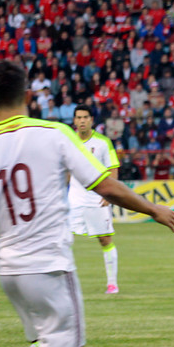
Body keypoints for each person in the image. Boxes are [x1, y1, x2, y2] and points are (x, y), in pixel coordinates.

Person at [0, 60, 174, 347]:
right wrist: (153, 209)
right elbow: (104, 186)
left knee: (45, 345)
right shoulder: (54, 133)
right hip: (49, 267)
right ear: (29, 95)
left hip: (8, 271)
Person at [68, 105, 122, 294]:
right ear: (74, 120)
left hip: (96, 199)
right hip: (73, 199)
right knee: (62, 240)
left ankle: (112, 283)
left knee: (105, 240)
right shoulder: (68, 141)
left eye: (85, 117)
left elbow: (112, 169)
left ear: (91, 120)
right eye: (78, 117)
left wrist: (110, 194)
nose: (82, 120)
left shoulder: (103, 142)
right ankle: (64, 286)